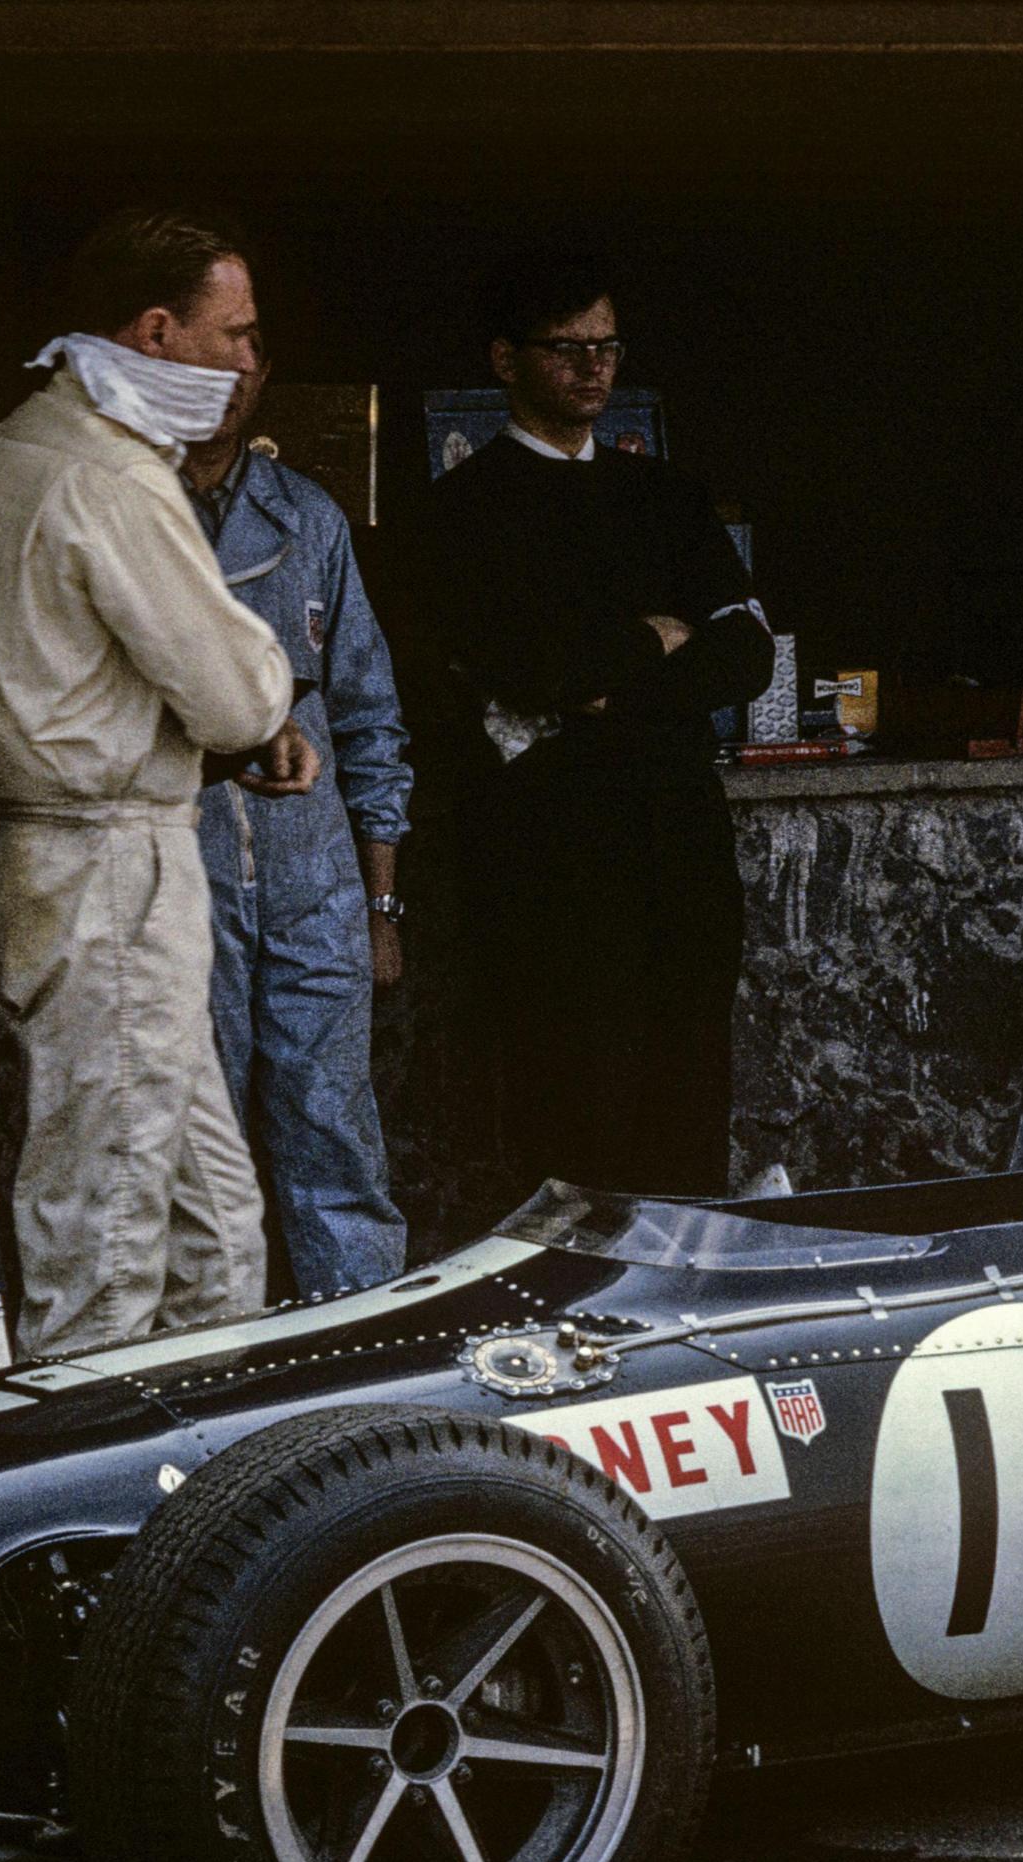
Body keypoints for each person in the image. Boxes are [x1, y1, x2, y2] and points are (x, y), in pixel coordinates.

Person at [0, 207, 313, 1359]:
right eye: (232, 333)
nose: (250, 360)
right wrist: (263, 701)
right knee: (102, 1238)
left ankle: (211, 1489)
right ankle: (92, 1524)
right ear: (157, 330)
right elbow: (240, 693)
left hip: (37, 850)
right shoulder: (109, 476)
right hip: (108, 869)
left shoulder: (9, 448)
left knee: (212, 1221)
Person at [419, 251, 774, 1198]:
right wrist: (655, 638)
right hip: (553, 866)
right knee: (573, 1121)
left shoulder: (667, 495)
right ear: (506, 360)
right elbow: (530, 665)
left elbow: (747, 655)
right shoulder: (460, 512)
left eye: (608, 345)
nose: (595, 367)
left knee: (688, 1105)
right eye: (568, 347)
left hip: (681, 849)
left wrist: (608, 683)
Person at [179, 361, 413, 1298]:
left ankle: (356, 1362)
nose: (228, 380)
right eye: (208, 355)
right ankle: (212, 1375)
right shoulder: (129, 511)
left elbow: (366, 714)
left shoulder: (306, 515)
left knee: (337, 1140)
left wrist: (380, 899)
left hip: (315, 880)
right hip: (183, 876)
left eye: (248, 357)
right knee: (199, 1158)